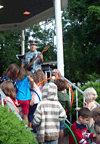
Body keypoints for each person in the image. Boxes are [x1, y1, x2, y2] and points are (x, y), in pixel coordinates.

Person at [53, 78, 71, 144]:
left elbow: (51, 82)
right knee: (61, 128)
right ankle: (61, 142)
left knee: (53, 127)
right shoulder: (65, 96)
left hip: (53, 113)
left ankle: (54, 141)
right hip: (61, 113)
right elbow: (69, 107)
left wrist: (53, 78)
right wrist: (70, 111)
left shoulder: (53, 94)